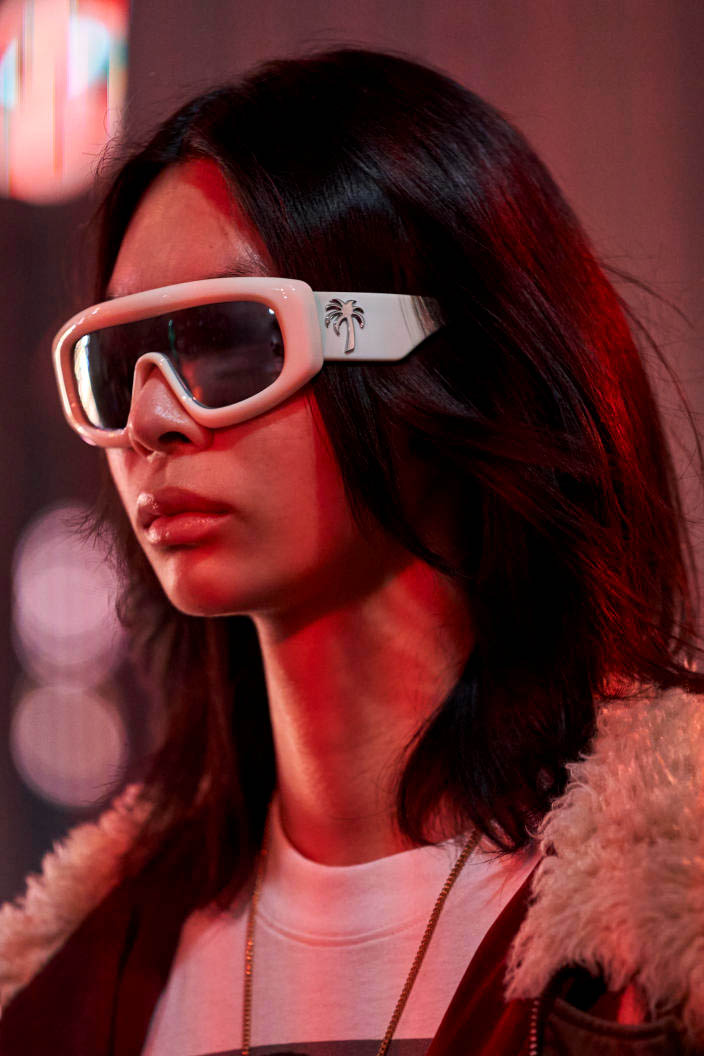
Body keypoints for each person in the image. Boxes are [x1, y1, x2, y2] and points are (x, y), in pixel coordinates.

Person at [1, 46, 703, 1056]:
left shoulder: (661, 940)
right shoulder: (76, 984)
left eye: (230, 342)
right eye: (116, 364)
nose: (152, 420)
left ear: (454, 364)